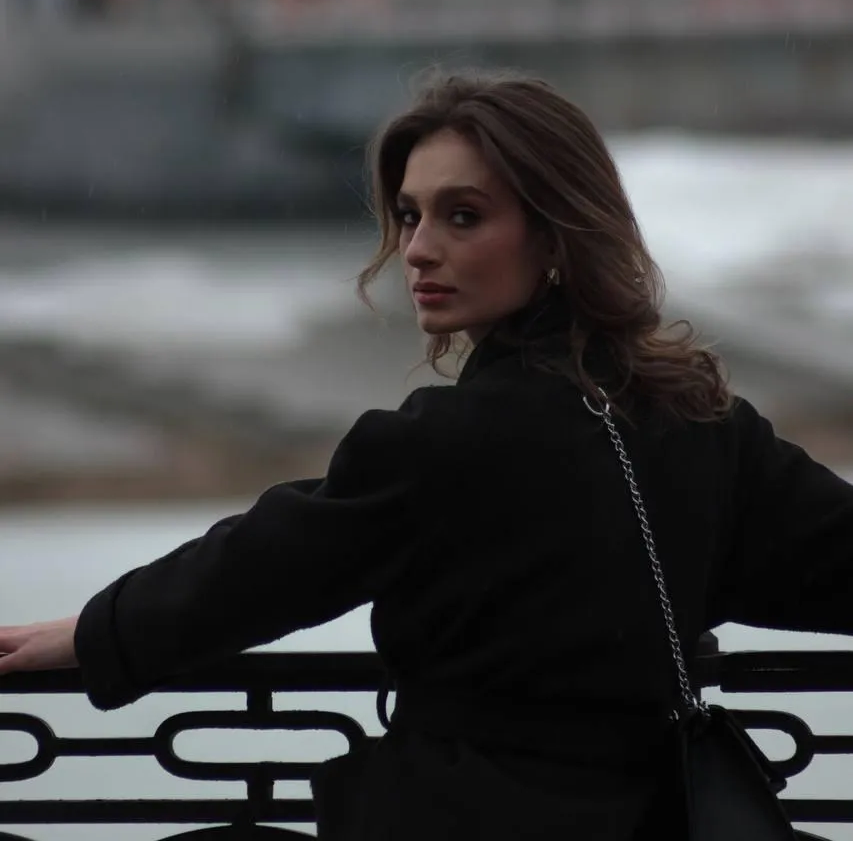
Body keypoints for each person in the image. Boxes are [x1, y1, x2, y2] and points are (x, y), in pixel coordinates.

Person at [2, 68, 853, 840]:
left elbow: (268, 566)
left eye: (463, 215)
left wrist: (97, 632)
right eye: (409, 216)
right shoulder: (699, 423)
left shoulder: (440, 443)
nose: (417, 250)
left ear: (556, 233)